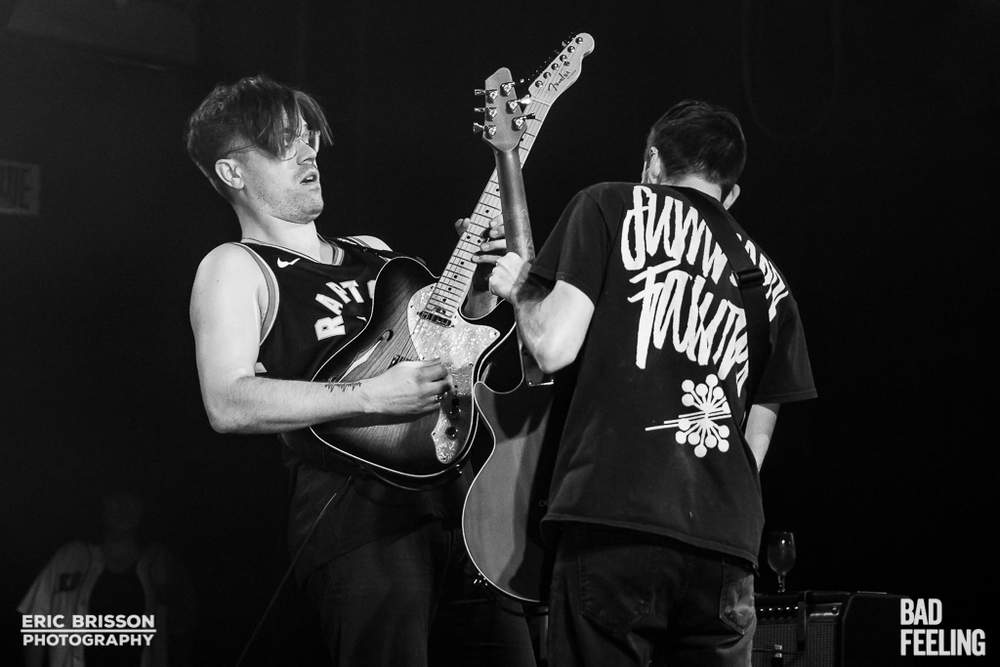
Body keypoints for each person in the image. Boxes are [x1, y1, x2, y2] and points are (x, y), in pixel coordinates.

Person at [184, 74, 533, 666]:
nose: (308, 152)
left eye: (308, 137)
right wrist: (371, 396)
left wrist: (478, 289)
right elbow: (227, 402)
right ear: (232, 172)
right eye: (283, 143)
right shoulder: (235, 267)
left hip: (467, 503)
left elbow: (452, 350)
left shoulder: (374, 251)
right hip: (361, 520)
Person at [488, 99, 818, 666]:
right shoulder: (771, 284)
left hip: (615, 523)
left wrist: (521, 287)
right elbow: (755, 441)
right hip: (727, 547)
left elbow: (552, 348)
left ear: (654, 163)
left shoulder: (610, 204)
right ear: (731, 192)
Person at [18, 492, 197, 667]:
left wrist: (164, 591)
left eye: (132, 498)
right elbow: (36, 619)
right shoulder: (70, 557)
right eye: (115, 498)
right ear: (102, 504)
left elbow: (182, 629)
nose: (123, 507)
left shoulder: (160, 563)